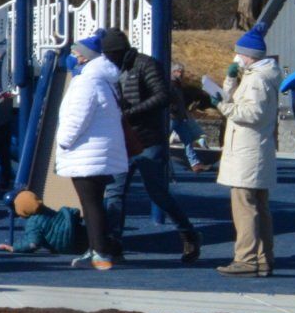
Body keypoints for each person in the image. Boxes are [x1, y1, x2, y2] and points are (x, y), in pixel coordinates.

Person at [98, 28, 200, 263]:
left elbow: (163, 96)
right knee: (114, 192)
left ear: (119, 52)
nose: (109, 60)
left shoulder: (146, 64)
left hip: (147, 139)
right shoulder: (109, 69)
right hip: (122, 139)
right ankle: (114, 243)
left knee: (157, 193)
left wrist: (130, 112)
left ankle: (188, 233)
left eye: (111, 55)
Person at [54, 31, 126, 271]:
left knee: (91, 203)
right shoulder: (103, 79)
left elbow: (77, 117)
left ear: (85, 57)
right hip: (99, 150)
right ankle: (97, 248)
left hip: (86, 152)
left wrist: (63, 142)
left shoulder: (86, 82)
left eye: (76, 53)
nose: (73, 56)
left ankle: (99, 251)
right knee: (93, 201)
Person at [215, 25, 279, 277]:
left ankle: (246, 258)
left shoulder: (256, 80)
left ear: (248, 55)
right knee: (259, 207)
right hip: (256, 151)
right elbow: (234, 98)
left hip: (247, 152)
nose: (236, 57)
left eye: (239, 53)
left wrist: (223, 107)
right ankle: (263, 258)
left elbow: (252, 113)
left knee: (244, 207)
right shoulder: (258, 76)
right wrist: (231, 79)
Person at [168, 62, 213, 172]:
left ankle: (195, 164)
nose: (180, 74)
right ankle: (161, 163)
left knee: (188, 140)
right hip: (172, 117)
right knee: (164, 140)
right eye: (178, 71)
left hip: (179, 117)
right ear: (173, 72)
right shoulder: (170, 85)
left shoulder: (178, 85)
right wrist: (172, 110)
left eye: (181, 72)